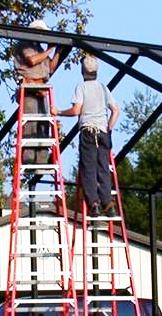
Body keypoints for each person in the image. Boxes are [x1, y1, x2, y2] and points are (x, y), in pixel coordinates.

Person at [55, 56, 120, 217]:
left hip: (88, 133)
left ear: (83, 71)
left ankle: (94, 204)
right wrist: (108, 127)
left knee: (88, 169)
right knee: (103, 168)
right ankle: (109, 204)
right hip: (103, 133)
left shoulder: (81, 87)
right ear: (96, 71)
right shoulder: (103, 88)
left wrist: (59, 112)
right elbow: (116, 110)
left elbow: (76, 111)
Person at [13, 19, 63, 164]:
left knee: (43, 125)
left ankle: (41, 159)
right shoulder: (23, 44)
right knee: (31, 124)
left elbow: (50, 68)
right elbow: (32, 61)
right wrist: (50, 50)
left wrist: (57, 52)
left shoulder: (40, 49)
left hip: (41, 89)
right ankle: (28, 158)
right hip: (29, 90)